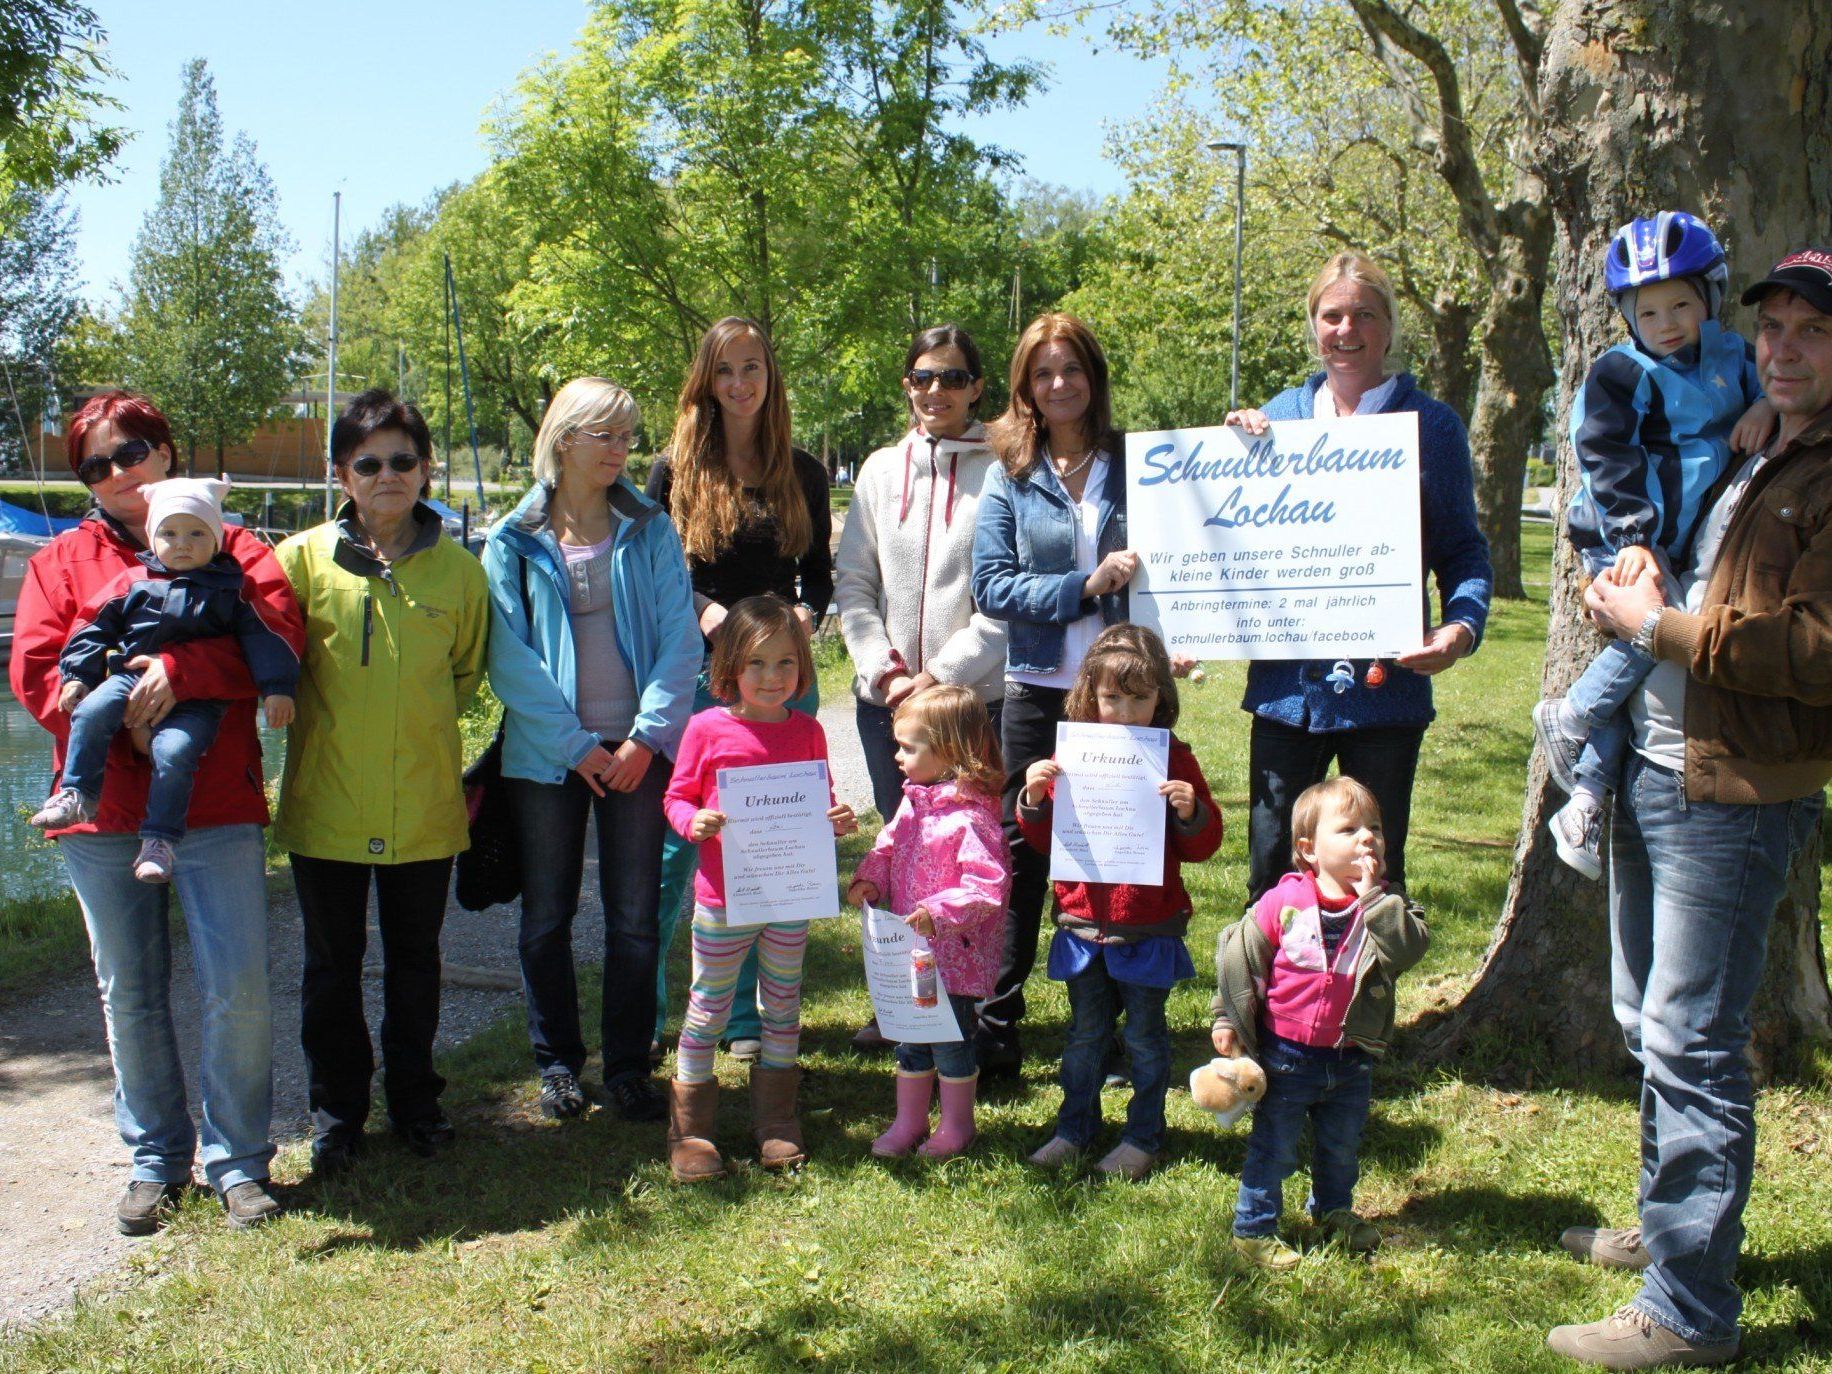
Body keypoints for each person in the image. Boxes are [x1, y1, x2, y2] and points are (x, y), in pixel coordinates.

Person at [1545, 250, 1832, 1368]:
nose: (1785, 349)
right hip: (1652, 766)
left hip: (1735, 791)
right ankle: (1669, 1238)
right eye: (1772, 331)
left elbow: (1812, 651)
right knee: (1645, 1026)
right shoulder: (1758, 445)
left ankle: (1687, 1313)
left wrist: (1649, 631)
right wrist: (1618, 587)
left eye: (1811, 331)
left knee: (1691, 1039)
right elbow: (1668, 557)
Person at [9, 390, 305, 1233]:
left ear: (166, 452)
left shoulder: (235, 544)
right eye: (96, 465)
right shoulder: (56, 563)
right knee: (128, 989)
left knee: (238, 983)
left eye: (132, 450)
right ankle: (155, 1160)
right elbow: (37, 672)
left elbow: (279, 635)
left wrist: (189, 673)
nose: (118, 473)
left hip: (212, 802)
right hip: (102, 809)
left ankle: (239, 1162)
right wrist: (122, 719)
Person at [1225, 251, 1491, 906]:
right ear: (1313, 324)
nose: (1348, 330)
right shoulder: (1273, 421)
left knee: (1373, 876)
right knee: (1272, 871)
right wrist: (1226, 454)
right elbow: (1225, 540)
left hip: (1385, 689)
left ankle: (1364, 1009)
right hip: (1289, 692)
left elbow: (1464, 551)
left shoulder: (1432, 426)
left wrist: (1460, 628)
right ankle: (1269, 1010)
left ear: (1390, 327)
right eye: (1332, 315)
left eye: (1364, 316)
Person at [274, 389, 491, 1174]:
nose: (388, 474)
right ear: (343, 474)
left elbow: (465, 676)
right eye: (369, 462)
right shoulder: (298, 562)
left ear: (426, 470)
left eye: (404, 460)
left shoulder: (463, 574)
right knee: (329, 969)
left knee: (415, 962)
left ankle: (415, 1102)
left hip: (424, 803)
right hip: (325, 802)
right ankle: (337, 1114)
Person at [1532, 212, 1774, 879]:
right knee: (1649, 629)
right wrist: (1634, 538)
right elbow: (1604, 456)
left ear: (1710, 301)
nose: (1666, 322)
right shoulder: (1620, 372)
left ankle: (1586, 795)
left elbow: (1777, 397)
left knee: (1642, 661)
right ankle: (1572, 714)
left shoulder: (1733, 357)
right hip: (1623, 531)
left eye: (1681, 305)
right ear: (1626, 315)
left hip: (1685, 538)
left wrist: (1765, 411)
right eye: (1649, 310)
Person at [483, 377, 699, 1125]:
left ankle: (630, 1066)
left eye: (627, 436)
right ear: (564, 438)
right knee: (546, 915)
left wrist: (646, 736)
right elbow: (507, 656)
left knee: (635, 915)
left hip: (638, 751)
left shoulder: (649, 527)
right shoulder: (514, 537)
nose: (620, 450)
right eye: (604, 434)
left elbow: (681, 638)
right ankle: (558, 1067)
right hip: (549, 756)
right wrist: (576, 745)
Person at [647, 317, 833, 1063]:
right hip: (703, 677)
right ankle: (656, 1012)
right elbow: (663, 573)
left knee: (767, 848)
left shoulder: (804, 470)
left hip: (783, 677)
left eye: (751, 368)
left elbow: (816, 572)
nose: (739, 383)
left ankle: (751, 1021)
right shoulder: (674, 471)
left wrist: (802, 620)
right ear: (705, 382)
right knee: (683, 844)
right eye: (724, 371)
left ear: (770, 376)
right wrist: (709, 615)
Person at [970, 312, 1137, 1079]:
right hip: (1036, 691)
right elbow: (991, 584)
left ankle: (1106, 1031)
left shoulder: (1138, 463)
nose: (1059, 384)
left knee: (1113, 857)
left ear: (1093, 377)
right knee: (1020, 853)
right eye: (1044, 373)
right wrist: (1083, 585)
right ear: (1025, 386)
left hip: (1121, 692)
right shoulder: (1009, 474)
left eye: (1072, 369)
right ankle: (995, 1022)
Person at [836, 323, 1007, 1050]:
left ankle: (986, 1010)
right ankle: (900, 1004)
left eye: (953, 377)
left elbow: (1003, 599)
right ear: (907, 385)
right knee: (903, 851)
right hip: (887, 702)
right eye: (923, 377)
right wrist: (887, 672)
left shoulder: (1006, 465)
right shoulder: (878, 470)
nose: (937, 390)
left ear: (977, 388)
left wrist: (937, 678)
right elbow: (854, 582)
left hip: (971, 701)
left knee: (973, 854)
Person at [660, 596, 857, 1181]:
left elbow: (818, 802)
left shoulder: (810, 731)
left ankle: (776, 1120)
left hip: (789, 900)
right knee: (708, 1009)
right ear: (729, 669)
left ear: (803, 667)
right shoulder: (705, 728)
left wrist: (838, 818)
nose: (773, 678)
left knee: (783, 1005)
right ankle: (690, 1130)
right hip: (725, 900)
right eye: (756, 665)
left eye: (786, 664)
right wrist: (691, 823)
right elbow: (676, 796)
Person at [1017, 625, 1223, 1179]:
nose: (1126, 711)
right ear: (1090, 694)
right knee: (1084, 1037)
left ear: (1162, 696)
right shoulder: (1073, 755)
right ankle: (1074, 1129)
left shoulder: (1173, 758)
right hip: (1082, 925)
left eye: (1141, 697)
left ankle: (1143, 1137)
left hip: (1148, 926)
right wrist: (1034, 798)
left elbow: (1203, 847)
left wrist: (1189, 811)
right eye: (1113, 698)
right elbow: (1044, 842)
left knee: (1146, 1040)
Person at [33, 477, 299, 883]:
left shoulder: (235, 589)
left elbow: (267, 638)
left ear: (216, 540)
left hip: (201, 701)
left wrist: (277, 687)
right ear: (154, 538)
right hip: (128, 676)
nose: (182, 543)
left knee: (175, 753)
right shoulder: (132, 581)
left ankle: (160, 840)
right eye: (169, 533)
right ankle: (78, 792)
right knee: (89, 712)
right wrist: (77, 676)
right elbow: (91, 627)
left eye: (197, 533)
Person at [1211, 777, 1429, 1270]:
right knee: (1275, 1147)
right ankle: (1254, 1229)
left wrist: (1374, 899)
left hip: (1351, 1056)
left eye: (1374, 827)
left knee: (1341, 1146)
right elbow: (1239, 959)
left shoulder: (1385, 906)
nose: (1367, 838)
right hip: (1286, 1055)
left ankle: (1333, 1211)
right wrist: (1225, 1015)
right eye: (1349, 828)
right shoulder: (1282, 902)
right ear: (1309, 850)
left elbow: (1408, 950)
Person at [846, 685, 1010, 1159]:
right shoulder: (913, 802)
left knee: (950, 1041)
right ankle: (909, 1121)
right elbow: (888, 846)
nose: (897, 756)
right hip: (908, 948)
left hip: (951, 955)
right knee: (909, 1038)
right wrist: (871, 880)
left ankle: (957, 1125)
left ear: (950, 751)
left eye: (908, 747)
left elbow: (987, 886)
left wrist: (938, 913)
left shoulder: (971, 819)